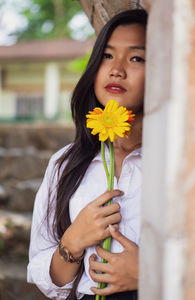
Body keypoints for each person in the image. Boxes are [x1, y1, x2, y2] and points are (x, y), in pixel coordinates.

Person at [27, 8, 147, 300]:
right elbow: (44, 274)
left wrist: (152, 272)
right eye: (107, 55)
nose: (116, 68)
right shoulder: (65, 164)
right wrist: (72, 242)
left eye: (136, 58)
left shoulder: (186, 164)